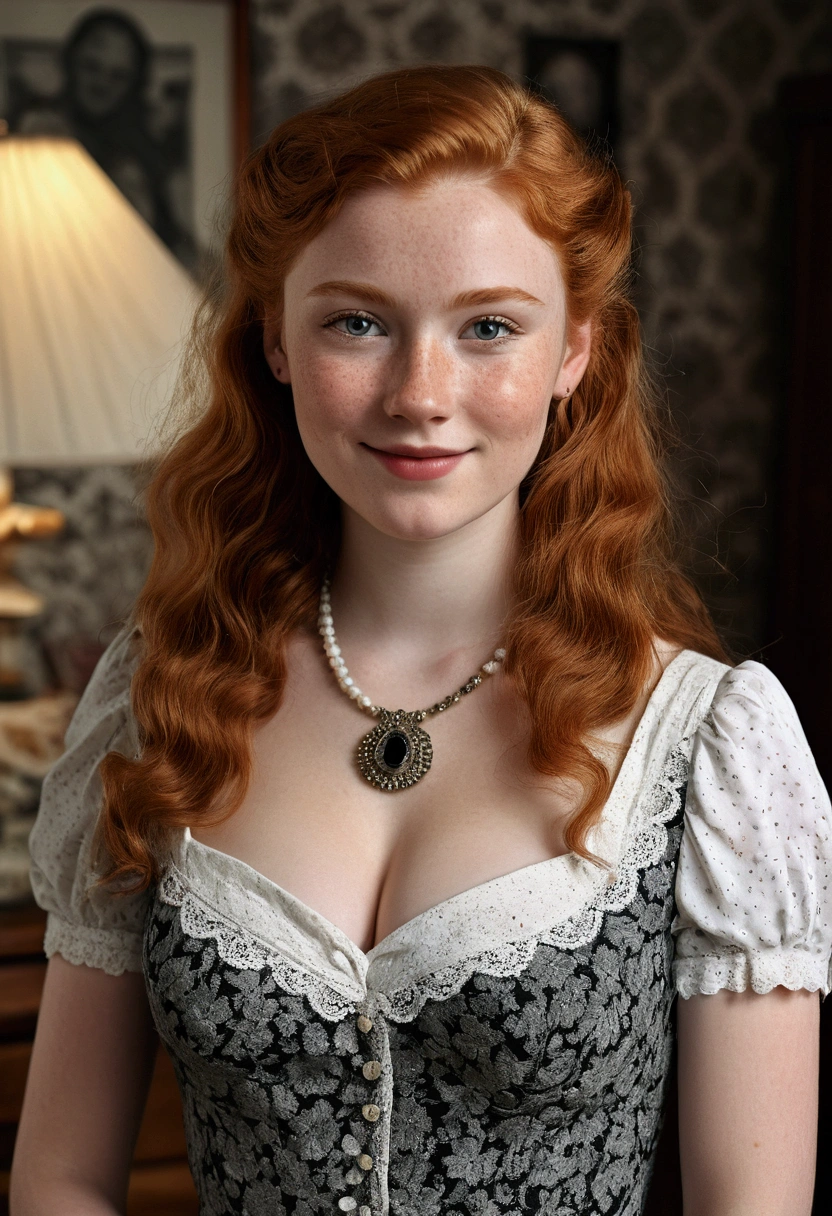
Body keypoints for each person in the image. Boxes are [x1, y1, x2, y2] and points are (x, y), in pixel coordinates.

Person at [10, 65, 831, 1216]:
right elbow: (60, 1178)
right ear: (276, 343)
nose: (420, 393)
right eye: (356, 322)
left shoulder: (709, 745)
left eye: (489, 326)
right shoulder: (158, 696)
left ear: (574, 354)